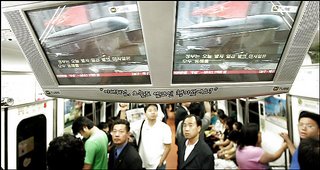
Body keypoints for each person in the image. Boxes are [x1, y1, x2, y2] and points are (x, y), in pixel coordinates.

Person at [130, 104, 172, 169]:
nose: (153, 112)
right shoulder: (139, 125)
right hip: (142, 164)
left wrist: (160, 162)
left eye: (155, 110)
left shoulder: (165, 127)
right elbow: (124, 128)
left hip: (158, 165)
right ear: (145, 113)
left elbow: (168, 147)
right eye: (150, 110)